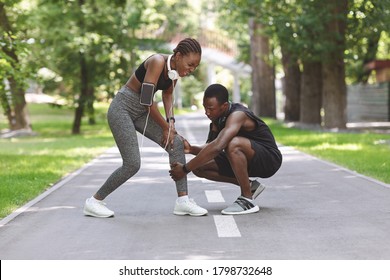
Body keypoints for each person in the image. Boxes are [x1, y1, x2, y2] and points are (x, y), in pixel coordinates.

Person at [83, 38, 208, 218]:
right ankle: (94, 201)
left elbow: (168, 94)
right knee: (132, 163)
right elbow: (147, 100)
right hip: (122, 109)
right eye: (190, 64)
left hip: (143, 113)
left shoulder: (175, 73)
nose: (191, 69)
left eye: (195, 66)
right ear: (178, 56)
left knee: (177, 143)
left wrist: (171, 123)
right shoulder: (157, 62)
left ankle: (183, 201)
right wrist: (166, 128)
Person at [169, 84, 282, 215]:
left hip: (269, 160)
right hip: (246, 159)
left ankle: (247, 199)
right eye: (205, 107)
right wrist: (192, 149)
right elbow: (211, 147)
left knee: (232, 143)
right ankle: (250, 187)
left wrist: (184, 169)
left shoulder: (238, 114)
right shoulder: (217, 120)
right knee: (199, 167)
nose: (207, 112)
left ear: (224, 106)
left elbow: (218, 146)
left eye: (211, 108)